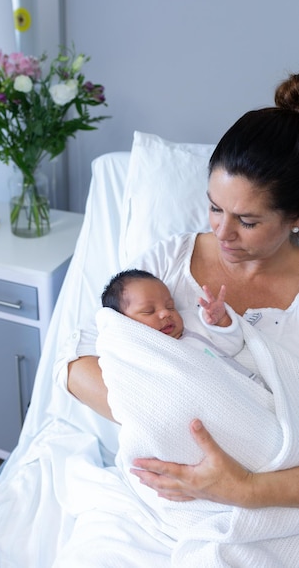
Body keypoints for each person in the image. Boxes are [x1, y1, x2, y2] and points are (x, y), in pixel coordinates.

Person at [67, 73, 299, 510]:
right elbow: (76, 361)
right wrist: (171, 423)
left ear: (295, 218)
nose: (223, 232)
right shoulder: (167, 262)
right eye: (214, 207)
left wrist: (243, 488)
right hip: (160, 492)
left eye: (247, 221)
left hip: (270, 498)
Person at [100, 268, 267, 386]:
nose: (165, 313)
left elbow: (231, 346)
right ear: (124, 324)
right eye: (149, 311)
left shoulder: (192, 330)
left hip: (241, 392)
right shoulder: (135, 357)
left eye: (170, 306)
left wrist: (221, 321)